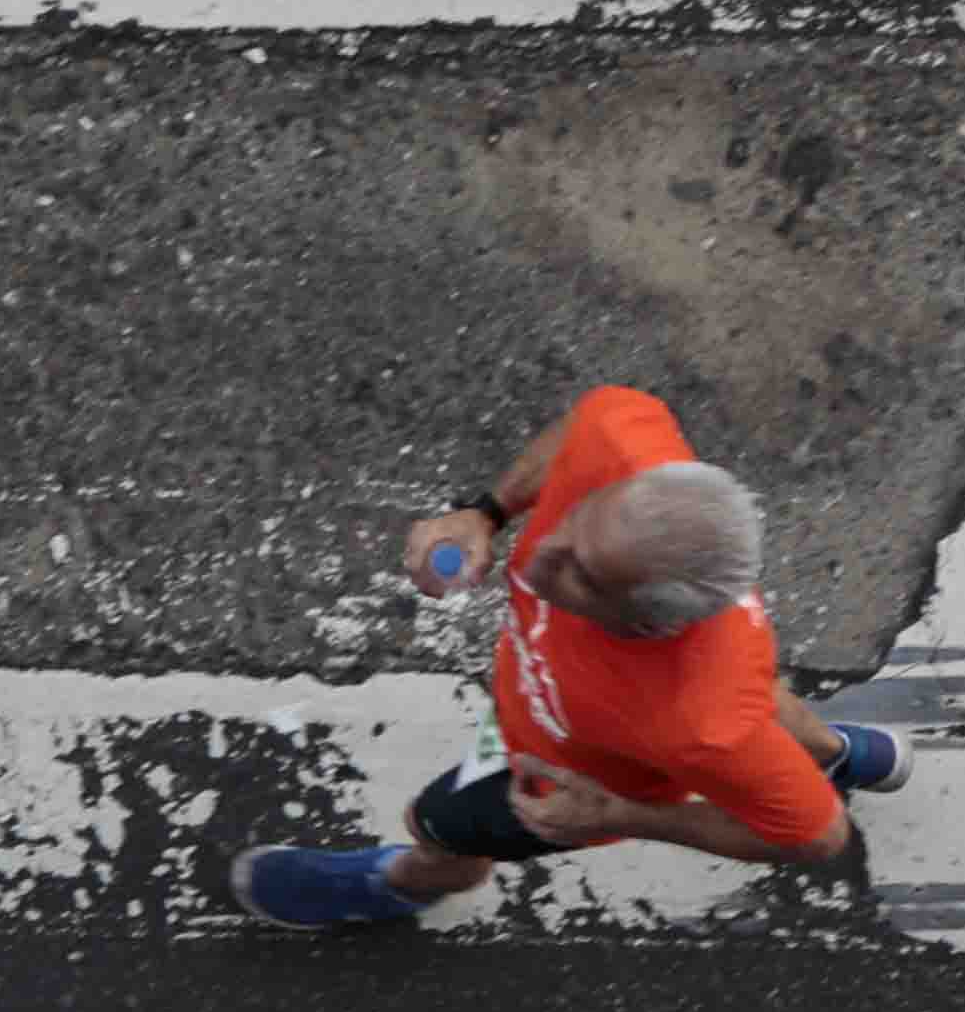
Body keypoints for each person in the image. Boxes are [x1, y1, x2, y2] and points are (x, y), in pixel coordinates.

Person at [227, 382, 903, 932]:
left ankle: (408, 883)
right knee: (750, 698)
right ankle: (838, 750)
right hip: (710, 693)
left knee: (431, 821)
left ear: (643, 626)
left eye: (582, 575)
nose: (543, 555)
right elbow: (585, 424)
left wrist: (620, 817)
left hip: (554, 768)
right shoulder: (623, 443)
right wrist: (483, 514)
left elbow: (815, 834)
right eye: (576, 519)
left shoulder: (699, 721)